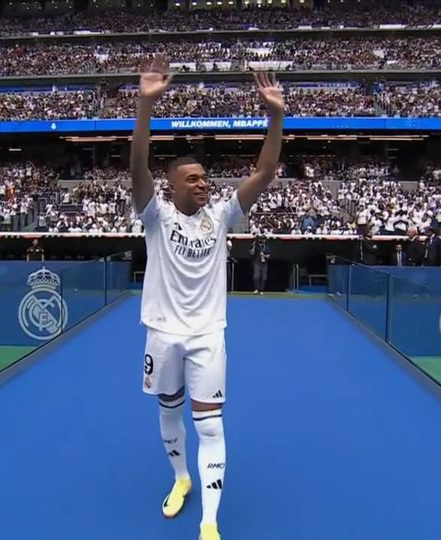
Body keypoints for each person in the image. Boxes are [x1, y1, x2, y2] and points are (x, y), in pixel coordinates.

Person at [130, 54, 284, 540]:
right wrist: (144, 105)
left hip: (207, 335)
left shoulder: (221, 217)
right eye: (192, 179)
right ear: (171, 187)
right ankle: (180, 479)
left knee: (211, 427)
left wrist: (275, 116)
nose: (203, 183)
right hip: (161, 332)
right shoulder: (155, 216)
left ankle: (210, 522)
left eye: (204, 177)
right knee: (169, 413)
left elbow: (264, 171)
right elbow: (137, 163)